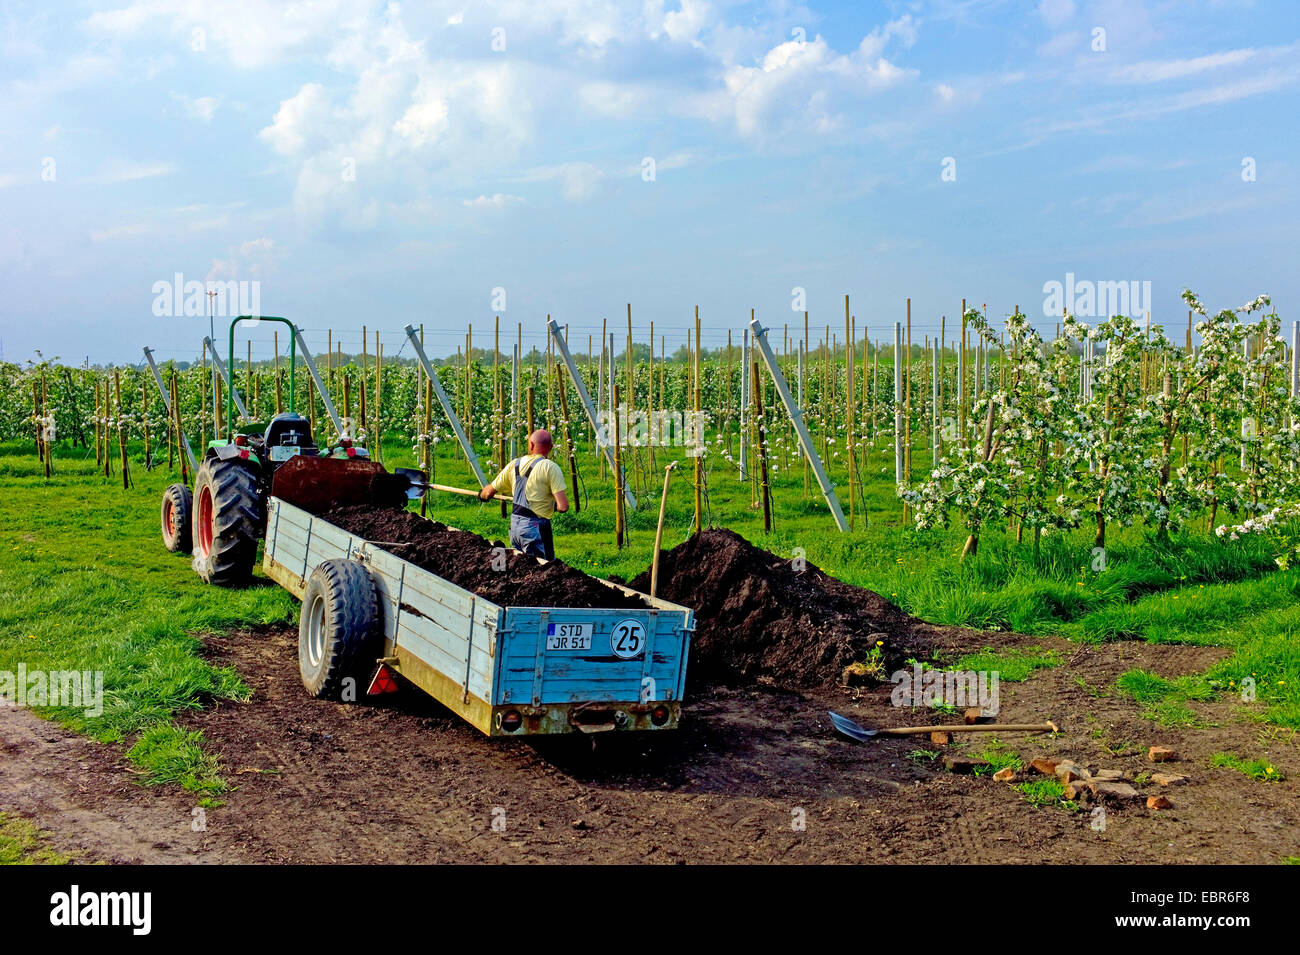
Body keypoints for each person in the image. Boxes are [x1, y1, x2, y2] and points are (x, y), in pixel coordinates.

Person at [479, 429, 569, 560]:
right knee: (545, 570)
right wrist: (550, 505)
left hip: (515, 527)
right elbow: (563, 506)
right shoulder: (550, 467)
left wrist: (481, 494)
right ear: (551, 447)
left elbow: (488, 493)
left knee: (521, 568)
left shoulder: (514, 464)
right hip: (535, 529)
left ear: (531, 445)